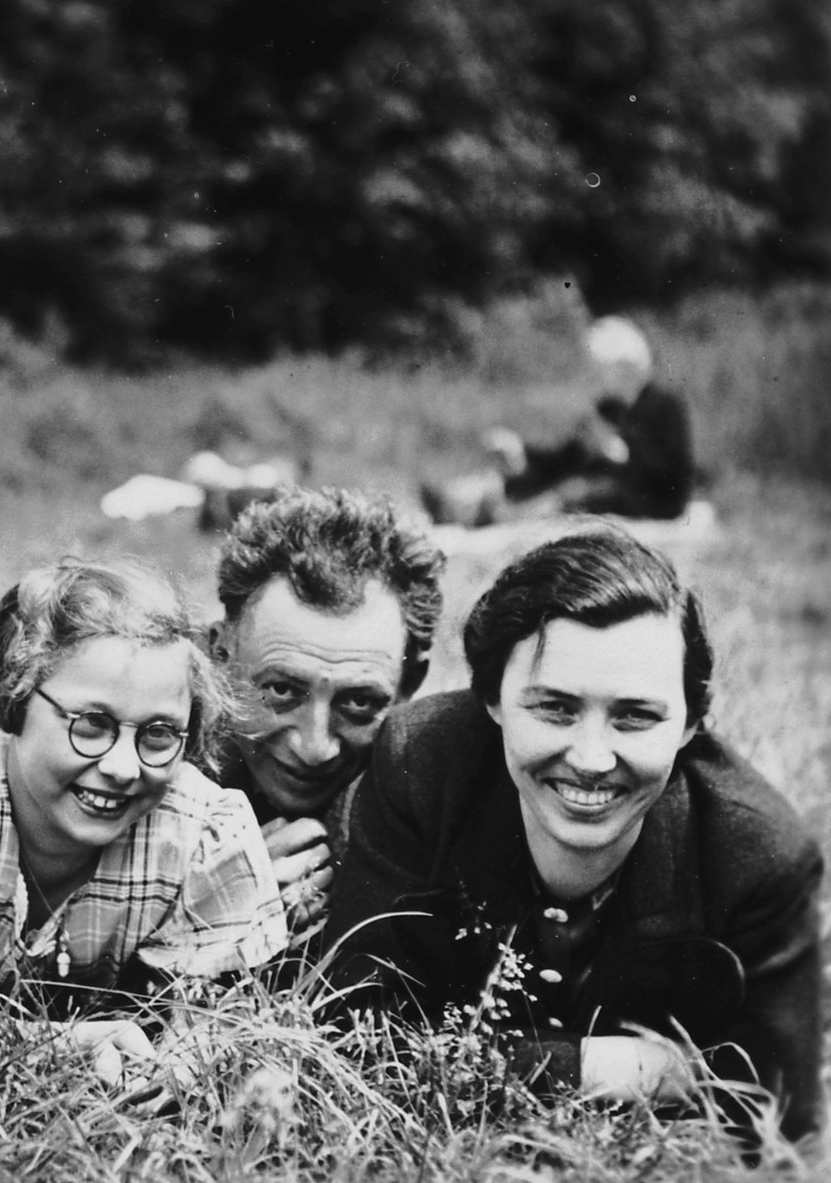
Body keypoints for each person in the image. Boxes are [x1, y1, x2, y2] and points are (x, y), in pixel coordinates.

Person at [325, 527, 822, 1140]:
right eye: (555, 708)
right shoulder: (419, 765)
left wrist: (488, 1061)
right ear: (491, 697)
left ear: (692, 722)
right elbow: (351, 1028)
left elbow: (776, 1115)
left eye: (635, 716)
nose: (590, 758)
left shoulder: (758, 851)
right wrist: (616, 1067)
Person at [0, 558, 286, 1075]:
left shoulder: (200, 834)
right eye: (92, 724)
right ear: (15, 698)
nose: (124, 768)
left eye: (159, 734)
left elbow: (222, 1019)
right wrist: (52, 1044)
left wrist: (183, 1066)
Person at [208, 488, 445, 934]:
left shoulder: (445, 791)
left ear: (410, 683)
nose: (314, 747)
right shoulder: (148, 767)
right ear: (219, 655)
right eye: (281, 690)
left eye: (358, 703)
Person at [424, 317, 695, 527]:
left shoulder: (666, 406)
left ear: (622, 367)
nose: (594, 377)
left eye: (599, 369)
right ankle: (459, 504)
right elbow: (565, 459)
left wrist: (622, 455)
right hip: (602, 488)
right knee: (545, 482)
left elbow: (672, 475)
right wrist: (523, 454)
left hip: (650, 500)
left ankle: (497, 515)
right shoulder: (608, 409)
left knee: (573, 492)